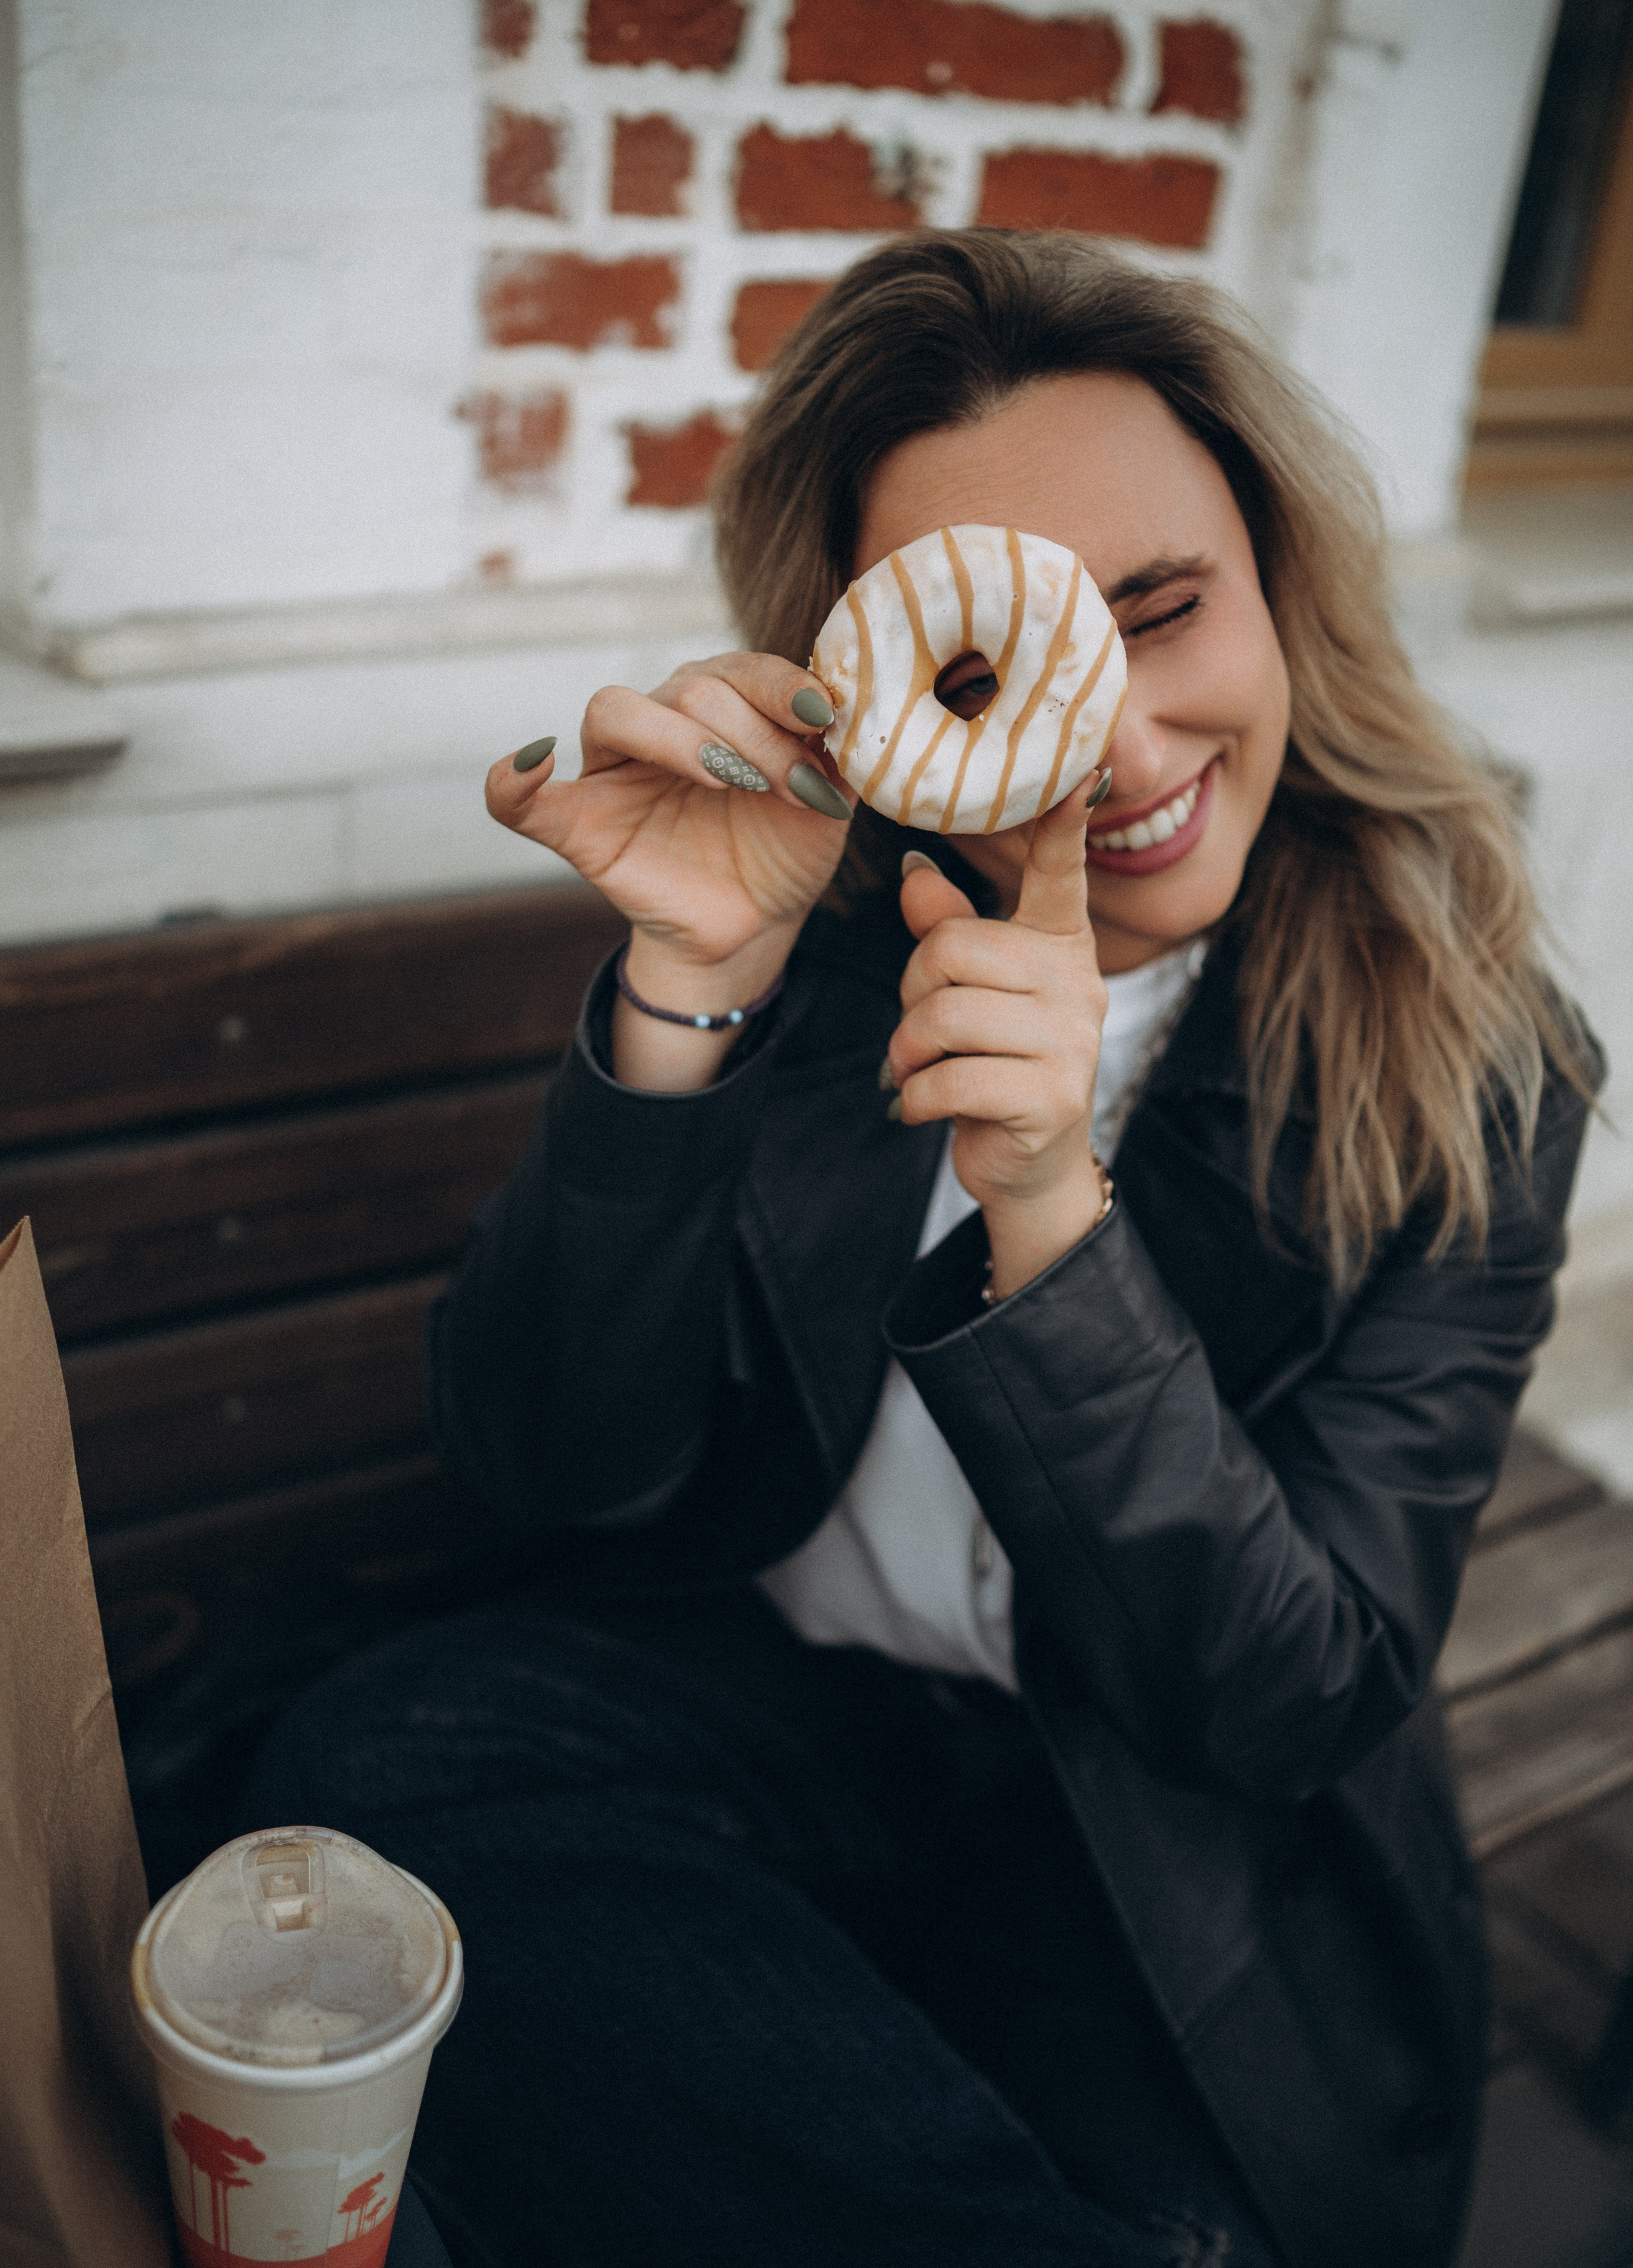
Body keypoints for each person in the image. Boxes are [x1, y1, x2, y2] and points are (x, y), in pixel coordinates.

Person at [250, 230, 1600, 2268]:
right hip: (777, 1706)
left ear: (1282, 586)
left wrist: (1051, 1205)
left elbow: (1289, 1700)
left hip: (1161, 1848)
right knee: (389, 1767)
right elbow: (547, 1466)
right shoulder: (811, 927)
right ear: (877, 681)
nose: (1128, 750)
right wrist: (686, 996)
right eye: (1011, 665)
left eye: (1167, 613)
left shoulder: (1472, 1053)